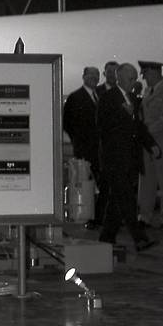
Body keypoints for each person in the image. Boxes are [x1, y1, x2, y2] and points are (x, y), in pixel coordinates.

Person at [97, 61, 161, 252]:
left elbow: (139, 127)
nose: (134, 81)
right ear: (120, 78)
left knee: (117, 202)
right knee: (126, 199)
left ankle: (106, 237)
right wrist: (125, 116)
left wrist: (152, 145)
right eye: (130, 78)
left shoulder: (133, 98)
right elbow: (102, 126)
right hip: (114, 159)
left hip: (131, 159)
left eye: (134, 78)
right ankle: (139, 239)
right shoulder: (108, 98)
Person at [62, 66, 103, 226]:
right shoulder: (75, 97)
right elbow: (67, 122)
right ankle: (87, 216)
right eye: (90, 75)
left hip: (99, 148)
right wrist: (78, 139)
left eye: (96, 75)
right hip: (84, 148)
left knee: (98, 183)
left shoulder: (99, 96)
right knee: (86, 182)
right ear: (84, 76)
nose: (94, 78)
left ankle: (97, 216)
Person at [138, 60, 163, 229]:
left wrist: (147, 131)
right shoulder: (147, 92)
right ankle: (145, 216)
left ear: (155, 73)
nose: (144, 78)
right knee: (147, 181)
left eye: (146, 75)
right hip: (148, 144)